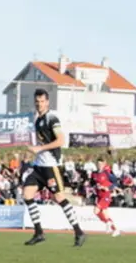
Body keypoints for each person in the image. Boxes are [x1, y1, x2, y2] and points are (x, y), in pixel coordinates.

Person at [22, 88, 86, 247]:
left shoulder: (52, 118)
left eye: (42, 101)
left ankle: (78, 231)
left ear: (47, 102)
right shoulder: (38, 120)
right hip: (39, 166)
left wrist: (39, 149)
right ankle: (39, 233)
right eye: (37, 101)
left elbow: (60, 141)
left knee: (59, 198)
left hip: (51, 166)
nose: (39, 104)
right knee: (27, 194)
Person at [91, 159, 120, 237]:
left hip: (106, 195)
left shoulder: (107, 172)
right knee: (105, 215)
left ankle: (107, 222)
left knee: (96, 211)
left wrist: (109, 188)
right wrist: (93, 186)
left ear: (104, 164)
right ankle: (115, 229)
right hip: (99, 195)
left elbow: (115, 182)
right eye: (98, 164)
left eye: (101, 164)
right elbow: (92, 182)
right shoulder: (94, 173)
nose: (99, 165)